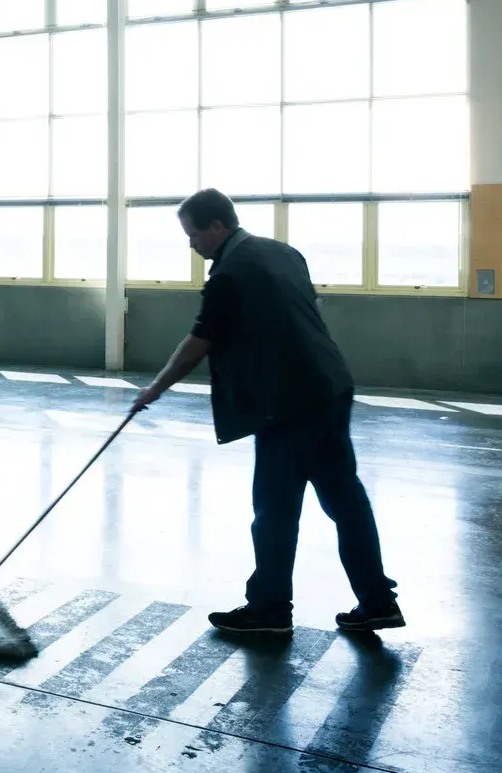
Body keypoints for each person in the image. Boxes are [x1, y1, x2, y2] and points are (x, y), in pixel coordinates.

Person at [131, 188, 403, 635]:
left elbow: (198, 345)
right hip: (331, 388)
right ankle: (378, 601)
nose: (191, 244)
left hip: (288, 404)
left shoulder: (230, 274)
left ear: (217, 227)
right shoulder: (284, 252)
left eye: (193, 234)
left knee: (275, 510)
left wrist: (155, 388)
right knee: (346, 502)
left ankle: (270, 609)